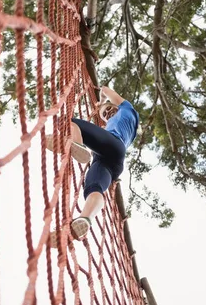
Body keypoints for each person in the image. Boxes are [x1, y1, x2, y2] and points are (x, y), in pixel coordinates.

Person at [47, 85, 140, 245]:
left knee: (69, 122)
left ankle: (75, 144)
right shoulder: (125, 130)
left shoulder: (128, 109)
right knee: (93, 189)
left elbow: (105, 89)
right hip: (112, 162)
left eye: (111, 110)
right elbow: (100, 135)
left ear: (117, 107)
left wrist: (101, 102)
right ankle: (85, 219)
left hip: (113, 144)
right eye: (106, 114)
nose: (109, 113)